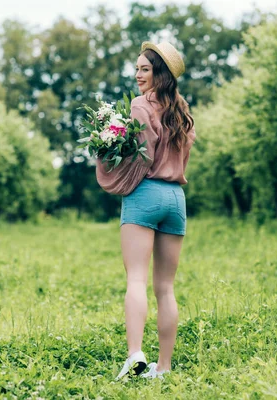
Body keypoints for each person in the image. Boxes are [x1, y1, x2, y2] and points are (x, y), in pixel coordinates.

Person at [95, 41, 196, 380]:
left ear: (160, 73)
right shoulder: (183, 113)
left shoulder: (141, 105)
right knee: (165, 287)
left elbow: (142, 157)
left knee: (136, 278)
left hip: (146, 193)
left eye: (145, 69)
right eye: (137, 68)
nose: (138, 75)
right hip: (176, 200)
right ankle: (163, 367)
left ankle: (136, 357)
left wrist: (111, 155)